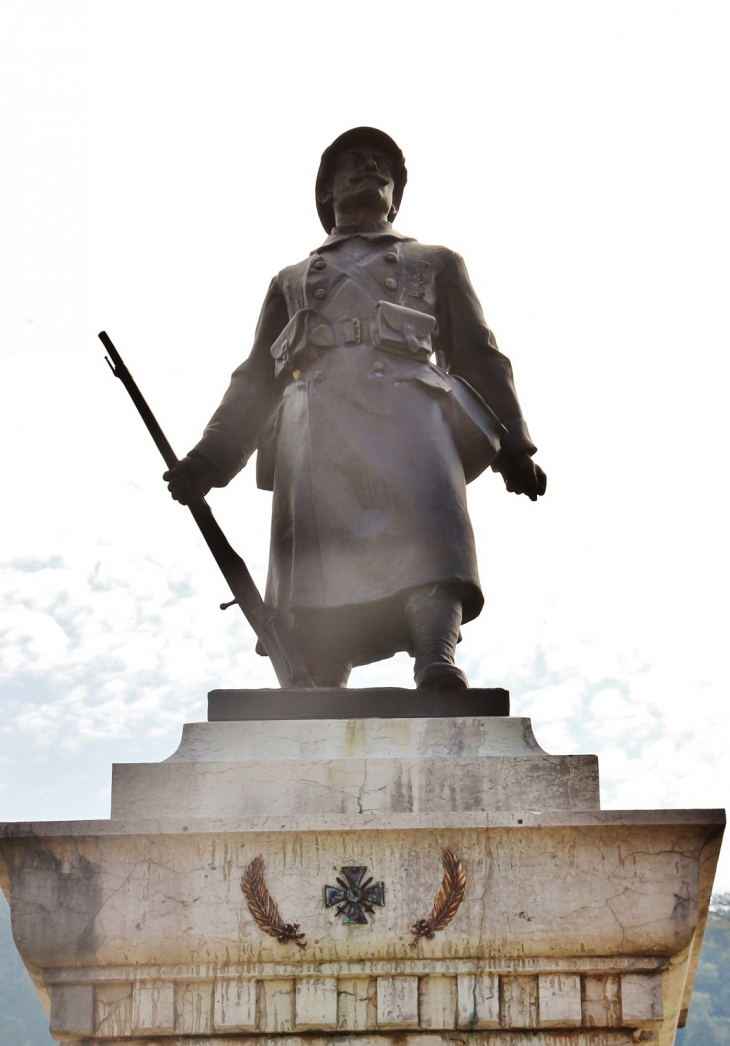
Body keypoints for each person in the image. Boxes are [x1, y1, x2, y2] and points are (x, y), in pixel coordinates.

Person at [164, 127, 546, 690]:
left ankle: (435, 656)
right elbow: (254, 380)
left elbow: (479, 355)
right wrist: (209, 460)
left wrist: (515, 446)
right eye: (353, 165)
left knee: (429, 531)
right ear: (327, 193)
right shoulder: (290, 280)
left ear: (396, 194)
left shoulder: (436, 261)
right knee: (320, 557)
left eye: (382, 167)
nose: (369, 169)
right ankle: (320, 675)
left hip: (413, 416)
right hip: (314, 427)